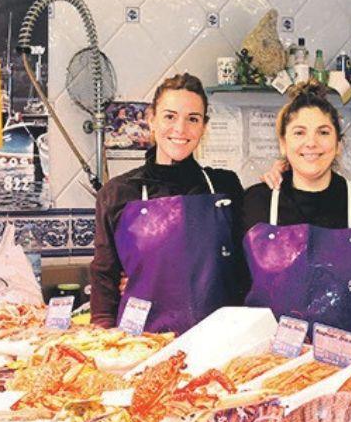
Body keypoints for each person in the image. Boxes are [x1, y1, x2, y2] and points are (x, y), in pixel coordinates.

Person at [90, 72, 244, 334]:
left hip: (217, 343)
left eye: (192, 119)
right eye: (170, 116)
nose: (180, 129)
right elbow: (104, 280)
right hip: (141, 344)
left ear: (204, 127)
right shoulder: (117, 193)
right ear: (151, 119)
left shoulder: (225, 186)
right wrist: (102, 341)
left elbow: (246, 267)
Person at [240, 82, 351, 335]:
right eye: (299, 133)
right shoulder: (256, 202)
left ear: (339, 144)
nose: (311, 143)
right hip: (272, 364)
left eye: (323, 132)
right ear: (282, 143)